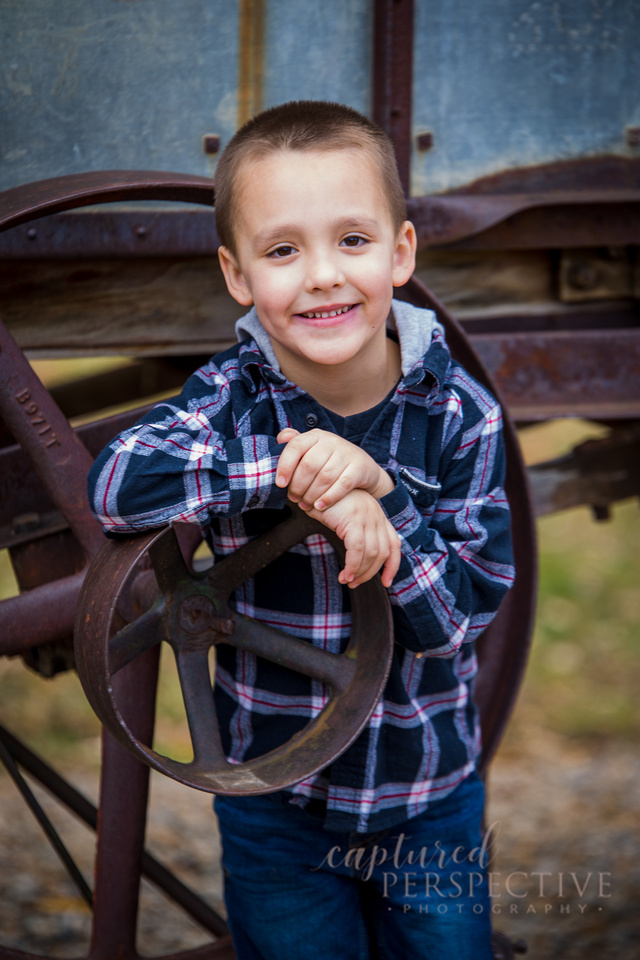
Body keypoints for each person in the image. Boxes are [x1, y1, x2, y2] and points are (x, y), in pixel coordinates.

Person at [88, 100, 514, 960]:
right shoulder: (232, 395)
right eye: (283, 250)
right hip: (275, 802)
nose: (322, 275)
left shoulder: (461, 414)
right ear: (237, 275)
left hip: (428, 794)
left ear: (400, 252)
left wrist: (384, 497)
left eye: (352, 241)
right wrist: (303, 474)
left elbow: (456, 624)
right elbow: (116, 483)